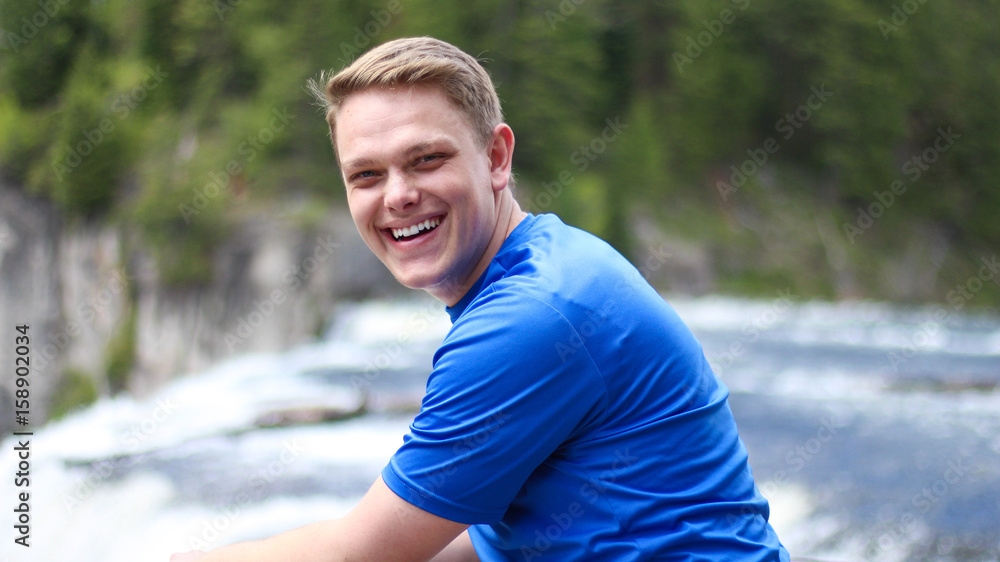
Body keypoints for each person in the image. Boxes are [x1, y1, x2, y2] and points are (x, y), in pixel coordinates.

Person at [171, 36, 789, 561]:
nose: (398, 196)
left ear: (496, 157)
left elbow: (358, 553)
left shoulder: (532, 317)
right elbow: (487, 536)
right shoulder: (549, 262)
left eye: (426, 159)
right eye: (366, 175)